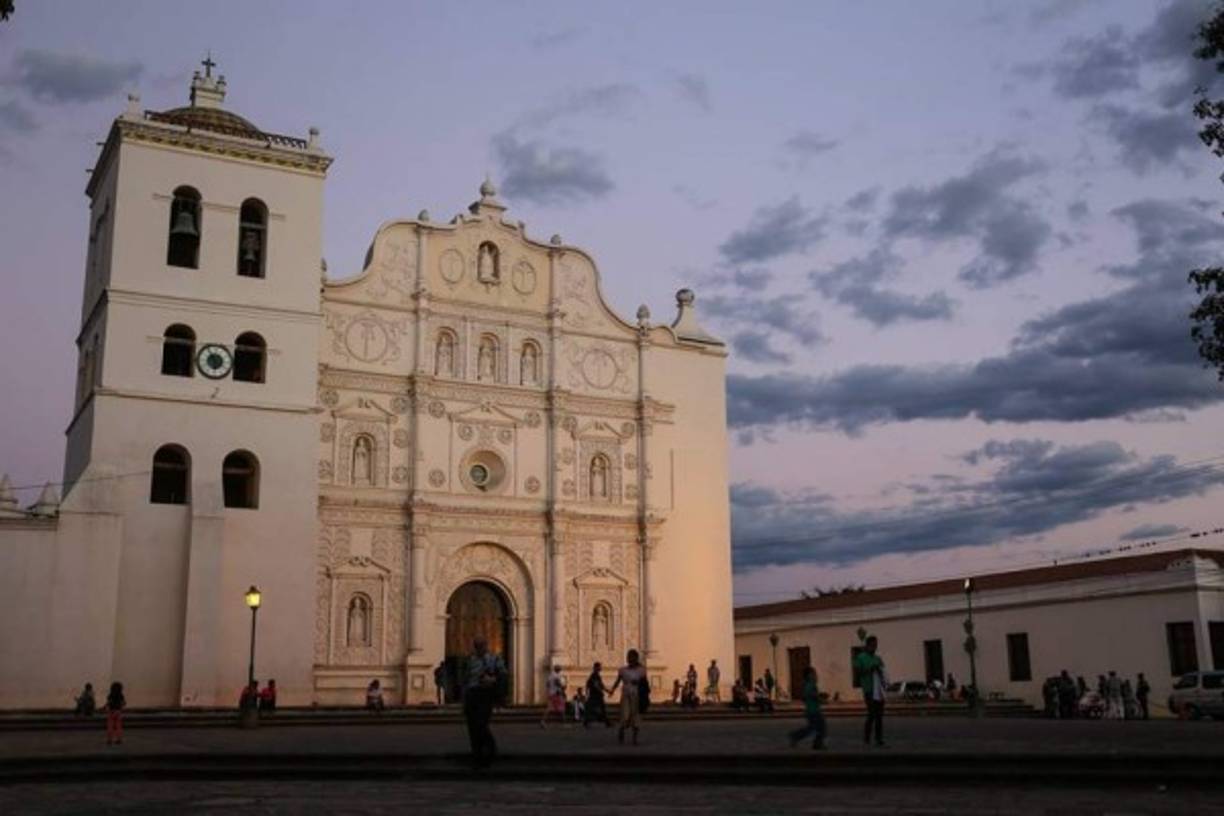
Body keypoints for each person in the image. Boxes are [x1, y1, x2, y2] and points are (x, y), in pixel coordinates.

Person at [463, 636, 507, 768]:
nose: (480, 647)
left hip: (485, 695)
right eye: (477, 645)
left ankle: (490, 750)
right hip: (472, 695)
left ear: (486, 645)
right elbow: (465, 679)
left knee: (481, 724)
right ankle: (477, 754)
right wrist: (463, 699)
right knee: (472, 727)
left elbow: (503, 675)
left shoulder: (494, 659)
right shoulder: (470, 660)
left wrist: (493, 680)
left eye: (482, 645)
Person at [853, 635, 887, 747]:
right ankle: (866, 739)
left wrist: (881, 669)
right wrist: (870, 668)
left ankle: (879, 739)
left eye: (876, 645)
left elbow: (883, 672)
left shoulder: (877, 658)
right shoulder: (860, 657)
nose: (874, 647)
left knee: (879, 716)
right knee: (872, 714)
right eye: (872, 645)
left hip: (879, 690)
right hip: (869, 690)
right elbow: (858, 672)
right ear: (867, 646)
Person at [609, 648, 647, 745]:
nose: (629, 659)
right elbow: (618, 681)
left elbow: (644, 684)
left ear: (636, 658)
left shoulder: (641, 670)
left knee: (635, 716)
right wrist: (612, 690)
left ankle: (635, 738)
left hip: (636, 694)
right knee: (624, 715)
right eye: (628, 657)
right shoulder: (623, 670)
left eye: (631, 657)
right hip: (626, 694)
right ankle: (621, 729)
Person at [787, 666, 827, 750]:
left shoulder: (809, 684)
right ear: (809, 675)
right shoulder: (810, 685)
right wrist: (820, 699)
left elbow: (805, 696)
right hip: (813, 711)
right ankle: (796, 736)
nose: (816, 675)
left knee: (816, 727)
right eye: (814, 673)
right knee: (818, 728)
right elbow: (809, 694)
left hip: (812, 710)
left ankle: (815, 742)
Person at [584, 662, 611, 727]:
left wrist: (607, 691)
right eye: (599, 667)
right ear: (596, 667)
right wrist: (602, 691)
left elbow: (600, 685)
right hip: (595, 695)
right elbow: (596, 685)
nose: (600, 668)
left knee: (597, 708)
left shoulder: (595, 675)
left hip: (595, 694)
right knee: (599, 708)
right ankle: (606, 722)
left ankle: (606, 722)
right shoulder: (594, 675)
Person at [104, 681, 125, 746]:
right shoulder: (121, 695)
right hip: (118, 711)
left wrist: (105, 707)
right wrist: (120, 707)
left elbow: (108, 702)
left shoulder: (110, 695)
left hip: (111, 711)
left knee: (110, 726)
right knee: (118, 726)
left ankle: (109, 739)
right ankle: (119, 739)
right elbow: (123, 703)